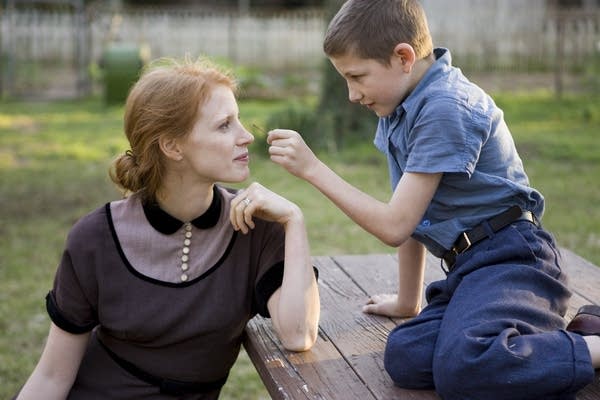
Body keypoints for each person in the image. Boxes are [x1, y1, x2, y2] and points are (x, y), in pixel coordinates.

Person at [266, 0, 599, 398]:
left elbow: (394, 226)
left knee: (464, 368)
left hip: (514, 259)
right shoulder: (399, 111)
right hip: (470, 270)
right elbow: (411, 219)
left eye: (357, 76)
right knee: (406, 355)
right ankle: (524, 336)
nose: (352, 94)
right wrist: (408, 303)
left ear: (403, 57)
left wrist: (313, 169)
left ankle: (589, 343)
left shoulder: (444, 107)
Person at [15, 58, 320, 399]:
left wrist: (294, 220)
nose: (246, 136)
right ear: (172, 146)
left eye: (239, 121)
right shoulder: (95, 239)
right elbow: (52, 377)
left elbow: (299, 335)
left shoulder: (257, 225)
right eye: (224, 125)